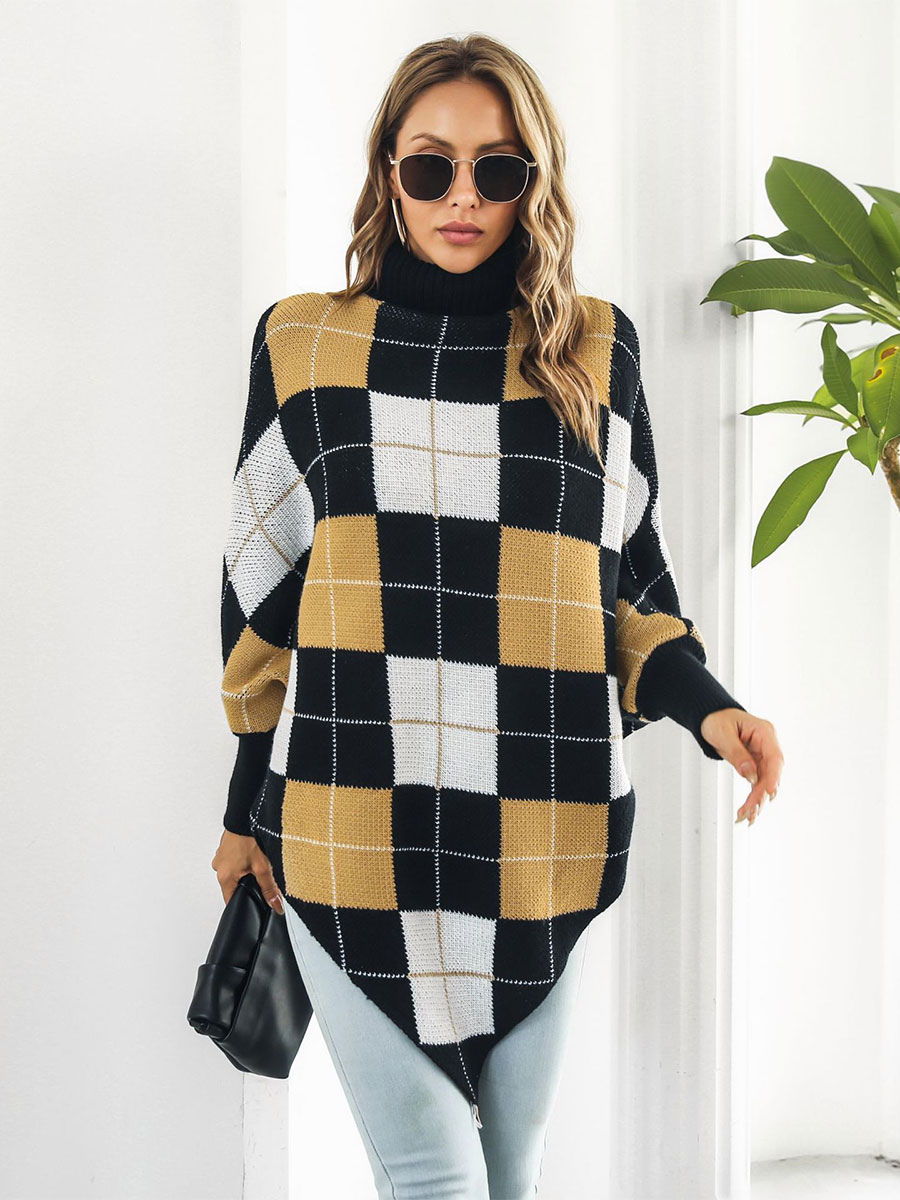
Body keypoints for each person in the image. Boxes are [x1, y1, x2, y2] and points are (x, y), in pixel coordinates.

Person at [210, 32, 784, 1199]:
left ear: (535, 183)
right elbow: (259, 601)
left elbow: (626, 592)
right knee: (434, 1175)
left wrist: (712, 711)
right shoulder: (305, 344)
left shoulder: (593, 352)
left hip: (539, 832)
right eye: (431, 167)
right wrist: (242, 811)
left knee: (510, 1175)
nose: (462, 196)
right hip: (348, 823)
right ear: (388, 173)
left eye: (498, 168)